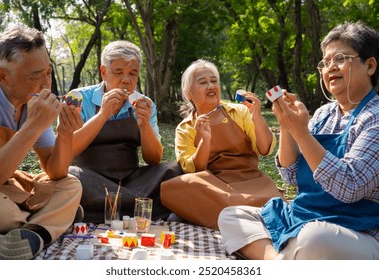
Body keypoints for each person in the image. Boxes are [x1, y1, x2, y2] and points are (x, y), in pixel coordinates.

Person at [218, 21, 379, 260]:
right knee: (232, 216)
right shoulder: (324, 114)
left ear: (370, 65)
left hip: (356, 230)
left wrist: (301, 133)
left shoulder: (374, 118)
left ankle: (281, 255)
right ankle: (278, 263)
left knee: (314, 239)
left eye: (341, 59)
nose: (330, 67)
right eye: (325, 62)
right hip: (305, 216)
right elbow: (291, 175)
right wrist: (286, 126)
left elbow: (350, 187)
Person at [0, 25, 83, 260]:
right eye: (35, 76)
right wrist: (33, 125)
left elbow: (56, 171)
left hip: (7, 189)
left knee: (71, 186)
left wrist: (64, 133)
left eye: (48, 73)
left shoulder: (29, 99)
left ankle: (25, 234)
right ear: (3, 76)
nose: (46, 84)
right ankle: (48, 220)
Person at [69, 40, 183, 223]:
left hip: (130, 179)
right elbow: (68, 150)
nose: (126, 80)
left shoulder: (145, 104)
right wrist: (103, 114)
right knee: (71, 176)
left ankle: (106, 207)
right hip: (91, 179)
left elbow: (153, 159)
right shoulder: (79, 99)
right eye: (118, 72)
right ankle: (138, 207)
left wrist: (144, 125)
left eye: (133, 73)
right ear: (104, 72)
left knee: (174, 170)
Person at [160, 59, 283, 229]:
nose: (211, 86)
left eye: (214, 81)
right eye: (203, 82)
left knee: (181, 210)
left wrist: (257, 116)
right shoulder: (186, 127)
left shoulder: (239, 111)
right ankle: (239, 212)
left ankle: (221, 214)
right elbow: (194, 170)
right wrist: (204, 140)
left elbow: (265, 149)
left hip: (250, 181)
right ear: (189, 93)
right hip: (214, 186)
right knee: (179, 184)